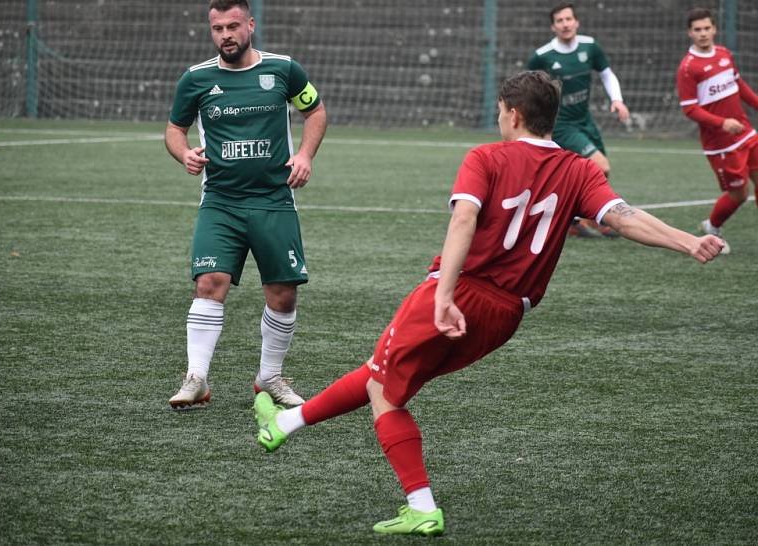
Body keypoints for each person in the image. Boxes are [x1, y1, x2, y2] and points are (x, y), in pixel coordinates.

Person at [252, 70, 724, 536]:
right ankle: (284, 424)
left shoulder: (487, 157)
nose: (499, 118)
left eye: (500, 111)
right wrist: (688, 243)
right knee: (384, 370)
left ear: (513, 115)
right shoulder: (579, 169)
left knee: (385, 393)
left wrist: (442, 295)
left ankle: (421, 506)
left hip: (461, 291)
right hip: (506, 315)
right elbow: (623, 217)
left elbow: (464, 222)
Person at [164, 0, 327, 409]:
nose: (225, 35)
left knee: (283, 293)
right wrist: (183, 153)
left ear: (250, 25)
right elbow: (173, 129)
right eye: (217, 28)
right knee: (209, 284)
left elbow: (316, 111)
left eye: (233, 26)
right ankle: (196, 378)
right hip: (220, 201)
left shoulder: (284, 69)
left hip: (274, 199)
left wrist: (305, 155)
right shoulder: (196, 79)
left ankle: (269, 376)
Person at [527, 2, 630, 238]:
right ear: (553, 27)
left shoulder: (590, 46)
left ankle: (580, 218)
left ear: (576, 22)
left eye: (568, 19)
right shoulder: (542, 56)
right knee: (600, 166)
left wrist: (617, 99)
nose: (565, 24)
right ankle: (587, 216)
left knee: (598, 173)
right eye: (560, 21)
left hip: (585, 120)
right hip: (561, 124)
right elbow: (528, 86)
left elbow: (606, 73)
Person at [677, 7, 758, 255]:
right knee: (738, 194)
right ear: (690, 33)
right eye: (697, 29)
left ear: (714, 29)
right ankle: (712, 227)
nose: (703, 33)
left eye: (706, 28)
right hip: (721, 143)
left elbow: (739, 84)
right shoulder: (688, 68)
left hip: (745, 132)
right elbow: (690, 110)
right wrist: (722, 123)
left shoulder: (724, 54)